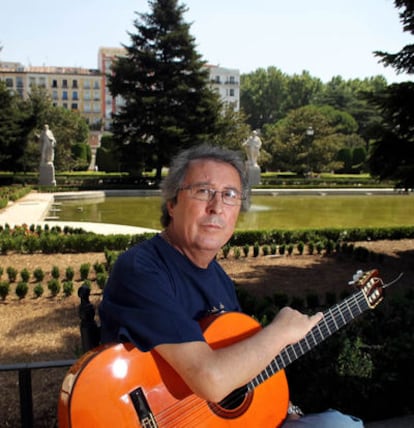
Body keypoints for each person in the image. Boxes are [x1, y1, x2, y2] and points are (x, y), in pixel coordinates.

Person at [99, 144, 364, 427]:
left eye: (230, 195)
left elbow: (242, 368)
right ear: (172, 204)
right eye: (203, 191)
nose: (217, 206)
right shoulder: (142, 269)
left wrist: (287, 407)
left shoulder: (218, 278)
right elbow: (210, 380)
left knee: (341, 424)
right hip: (158, 418)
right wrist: (280, 332)